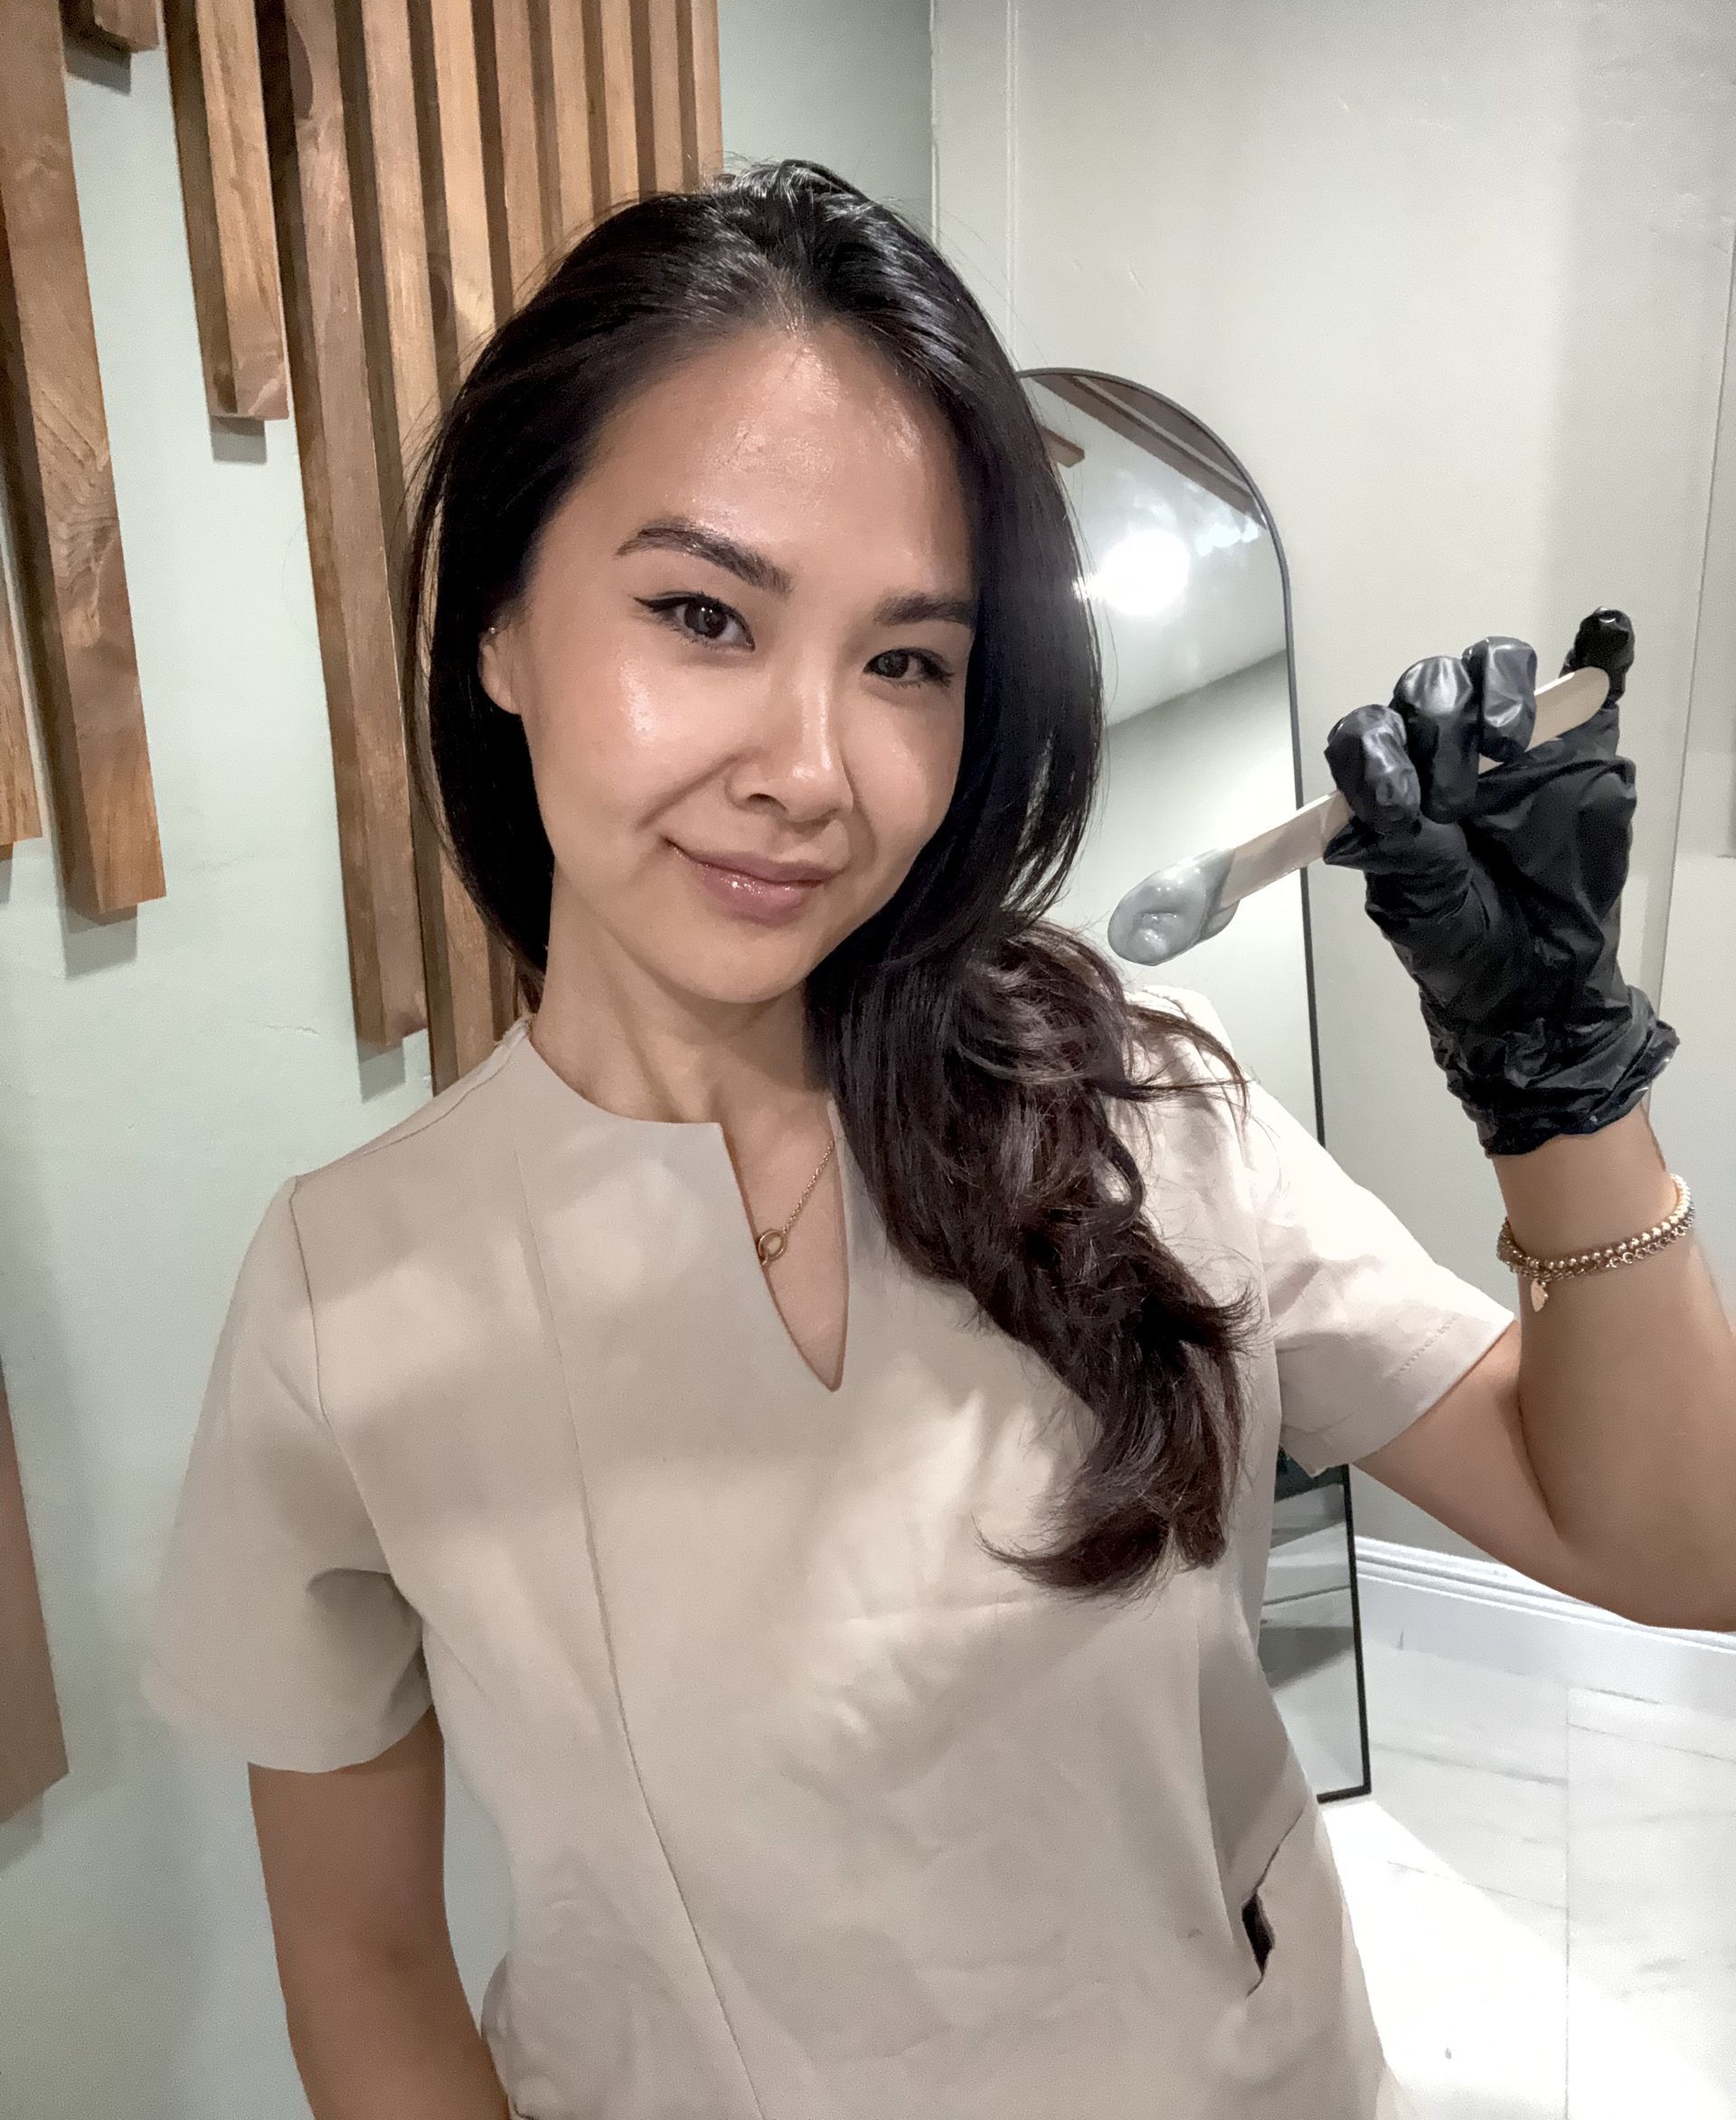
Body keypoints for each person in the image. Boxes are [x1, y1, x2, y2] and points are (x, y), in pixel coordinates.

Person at [143, 158, 1694, 2119]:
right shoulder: (349, 1297)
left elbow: (1666, 1538)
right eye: (703, 611)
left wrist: (1558, 1068)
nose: (808, 765)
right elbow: (361, 1959)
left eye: (906, 662)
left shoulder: (1137, 1091)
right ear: (504, 630)